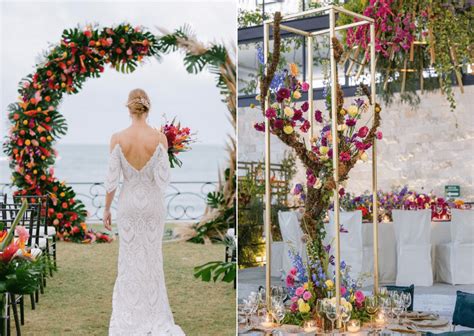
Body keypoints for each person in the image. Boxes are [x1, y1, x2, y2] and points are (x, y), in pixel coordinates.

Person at [103, 88, 185, 335]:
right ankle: (152, 313)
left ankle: (130, 315)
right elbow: (163, 180)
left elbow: (111, 180)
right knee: (151, 259)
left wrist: (107, 209)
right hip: (152, 206)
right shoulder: (160, 139)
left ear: (129, 109)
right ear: (148, 109)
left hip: (128, 205)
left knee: (128, 260)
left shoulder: (117, 138)